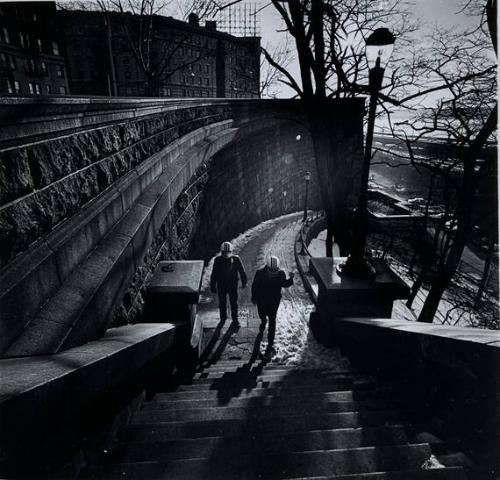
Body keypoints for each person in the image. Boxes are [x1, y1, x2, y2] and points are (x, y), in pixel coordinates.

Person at [251, 255, 294, 360]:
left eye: (275, 270)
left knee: (272, 320)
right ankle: (263, 322)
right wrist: (254, 298)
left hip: (274, 303)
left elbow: (285, 284)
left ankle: (270, 343)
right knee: (262, 316)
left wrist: (291, 279)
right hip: (262, 301)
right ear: (267, 267)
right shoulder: (259, 273)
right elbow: (254, 286)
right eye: (271, 270)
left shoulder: (281, 274)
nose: (273, 272)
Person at [210, 241, 247, 326]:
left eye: (228, 252)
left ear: (231, 251)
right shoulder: (217, 260)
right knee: (222, 302)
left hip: (232, 285)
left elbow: (242, 271)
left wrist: (244, 281)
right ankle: (223, 318)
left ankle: (235, 319)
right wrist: (213, 285)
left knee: (234, 302)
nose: (226, 254)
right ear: (221, 252)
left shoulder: (236, 259)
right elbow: (214, 273)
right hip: (221, 285)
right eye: (224, 252)